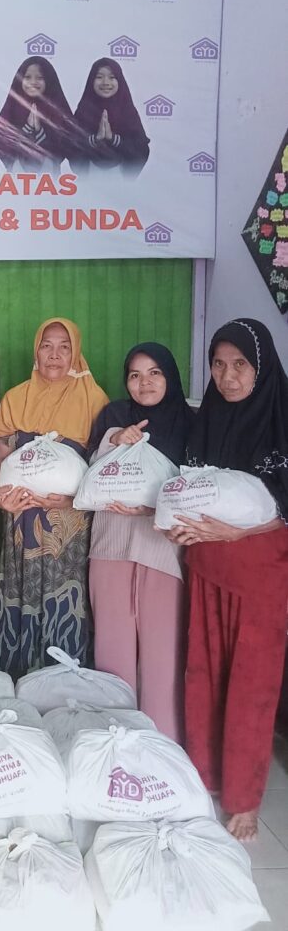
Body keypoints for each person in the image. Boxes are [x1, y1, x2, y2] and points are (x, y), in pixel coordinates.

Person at [166, 318, 288, 842]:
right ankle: (205, 775)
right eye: (218, 364)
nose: (228, 376)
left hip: (261, 573)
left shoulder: (281, 420)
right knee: (203, 674)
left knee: (252, 685)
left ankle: (243, 798)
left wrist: (241, 530)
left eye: (240, 365)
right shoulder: (208, 419)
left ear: (261, 367)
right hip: (207, 567)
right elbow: (186, 486)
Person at [86, 343, 194, 741]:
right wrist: (116, 439)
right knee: (112, 651)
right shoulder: (114, 415)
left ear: (170, 376)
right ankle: (116, 743)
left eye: (154, 373)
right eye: (135, 375)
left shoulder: (191, 422)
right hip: (111, 545)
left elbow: (198, 486)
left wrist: (154, 508)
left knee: (162, 654)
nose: (144, 383)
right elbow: (90, 470)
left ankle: (161, 744)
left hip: (162, 550)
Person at [0, 318, 109, 678]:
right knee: (19, 592)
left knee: (64, 595)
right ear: (36, 352)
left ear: (76, 353)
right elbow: (0, 458)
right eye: (47, 345)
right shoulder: (16, 398)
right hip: (21, 520)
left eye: (64, 347)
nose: (55, 355)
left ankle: (63, 679)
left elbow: (103, 470)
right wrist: (0, 498)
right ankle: (17, 677)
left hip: (68, 524)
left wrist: (73, 502)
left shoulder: (94, 400)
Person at [0, 56, 78, 172]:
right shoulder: (12, 107)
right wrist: (28, 129)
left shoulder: (57, 109)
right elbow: (1, 142)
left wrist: (40, 132)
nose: (33, 82)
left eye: (40, 78)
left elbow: (67, 145)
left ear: (49, 81)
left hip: (49, 178)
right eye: (27, 77)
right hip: (16, 179)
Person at [73, 58, 150, 178]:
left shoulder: (127, 111)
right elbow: (71, 146)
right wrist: (95, 140)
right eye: (99, 77)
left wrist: (113, 139)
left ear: (120, 81)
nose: (106, 82)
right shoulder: (83, 110)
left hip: (121, 179)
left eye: (112, 77)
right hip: (88, 180)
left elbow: (141, 149)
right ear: (91, 81)